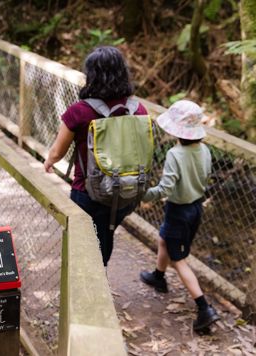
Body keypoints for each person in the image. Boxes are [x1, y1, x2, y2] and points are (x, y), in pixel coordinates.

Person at [44, 46, 147, 266]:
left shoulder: (79, 112)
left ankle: (89, 292)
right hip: (126, 190)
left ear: (91, 75)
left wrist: (49, 162)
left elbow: (57, 151)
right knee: (105, 235)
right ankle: (100, 275)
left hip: (89, 193)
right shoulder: (138, 110)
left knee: (83, 247)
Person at [139, 100, 220, 331]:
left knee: (179, 260)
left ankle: (204, 308)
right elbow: (204, 177)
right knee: (164, 239)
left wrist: (142, 195)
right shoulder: (204, 150)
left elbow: (164, 189)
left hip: (178, 211)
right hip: (195, 208)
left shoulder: (175, 154)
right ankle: (158, 276)